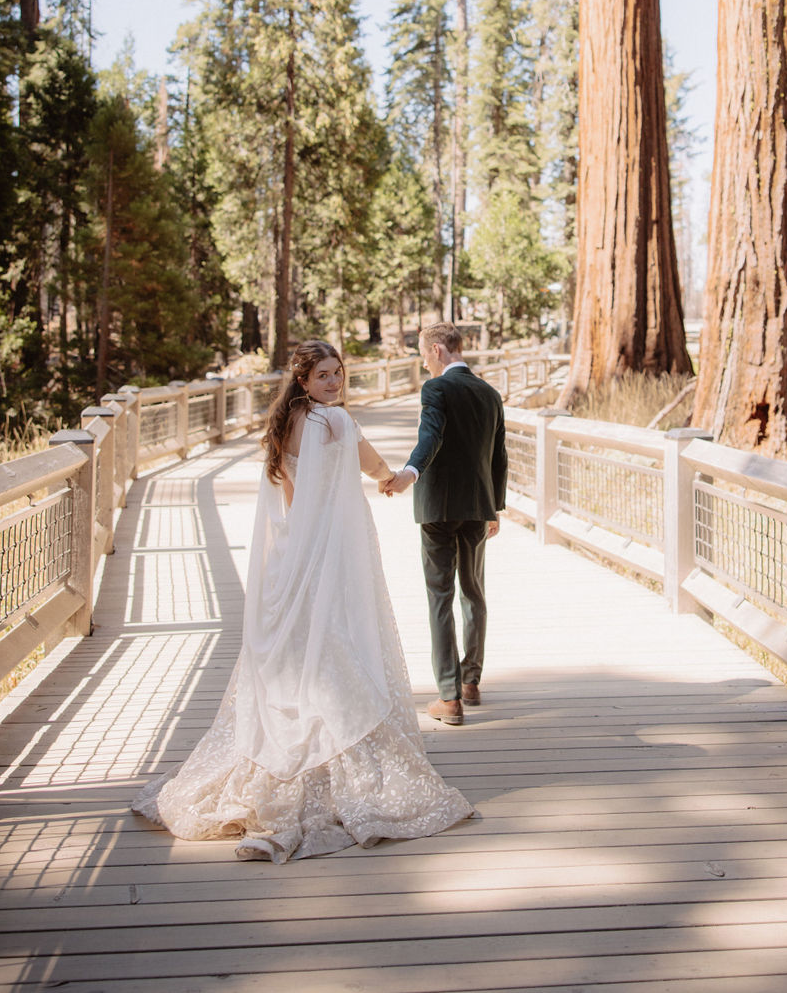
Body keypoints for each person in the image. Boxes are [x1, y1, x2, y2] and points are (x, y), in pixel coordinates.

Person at [132, 339, 472, 862]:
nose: (334, 383)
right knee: (340, 640)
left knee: (301, 650)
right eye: (323, 376)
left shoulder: (286, 423)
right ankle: (338, 762)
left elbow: (292, 496)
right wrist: (394, 479)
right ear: (304, 380)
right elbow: (374, 464)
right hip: (335, 550)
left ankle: (286, 756)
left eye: (338, 373)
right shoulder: (334, 423)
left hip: (296, 552)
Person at [382, 322, 508, 726]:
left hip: (437, 509)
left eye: (423, 355)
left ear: (437, 350)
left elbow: (430, 435)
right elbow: (498, 455)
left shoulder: (436, 389)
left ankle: (449, 697)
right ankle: (471, 681)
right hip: (477, 506)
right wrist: (495, 507)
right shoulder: (489, 393)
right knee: (474, 593)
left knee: (440, 596)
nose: (423, 364)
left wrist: (409, 472)